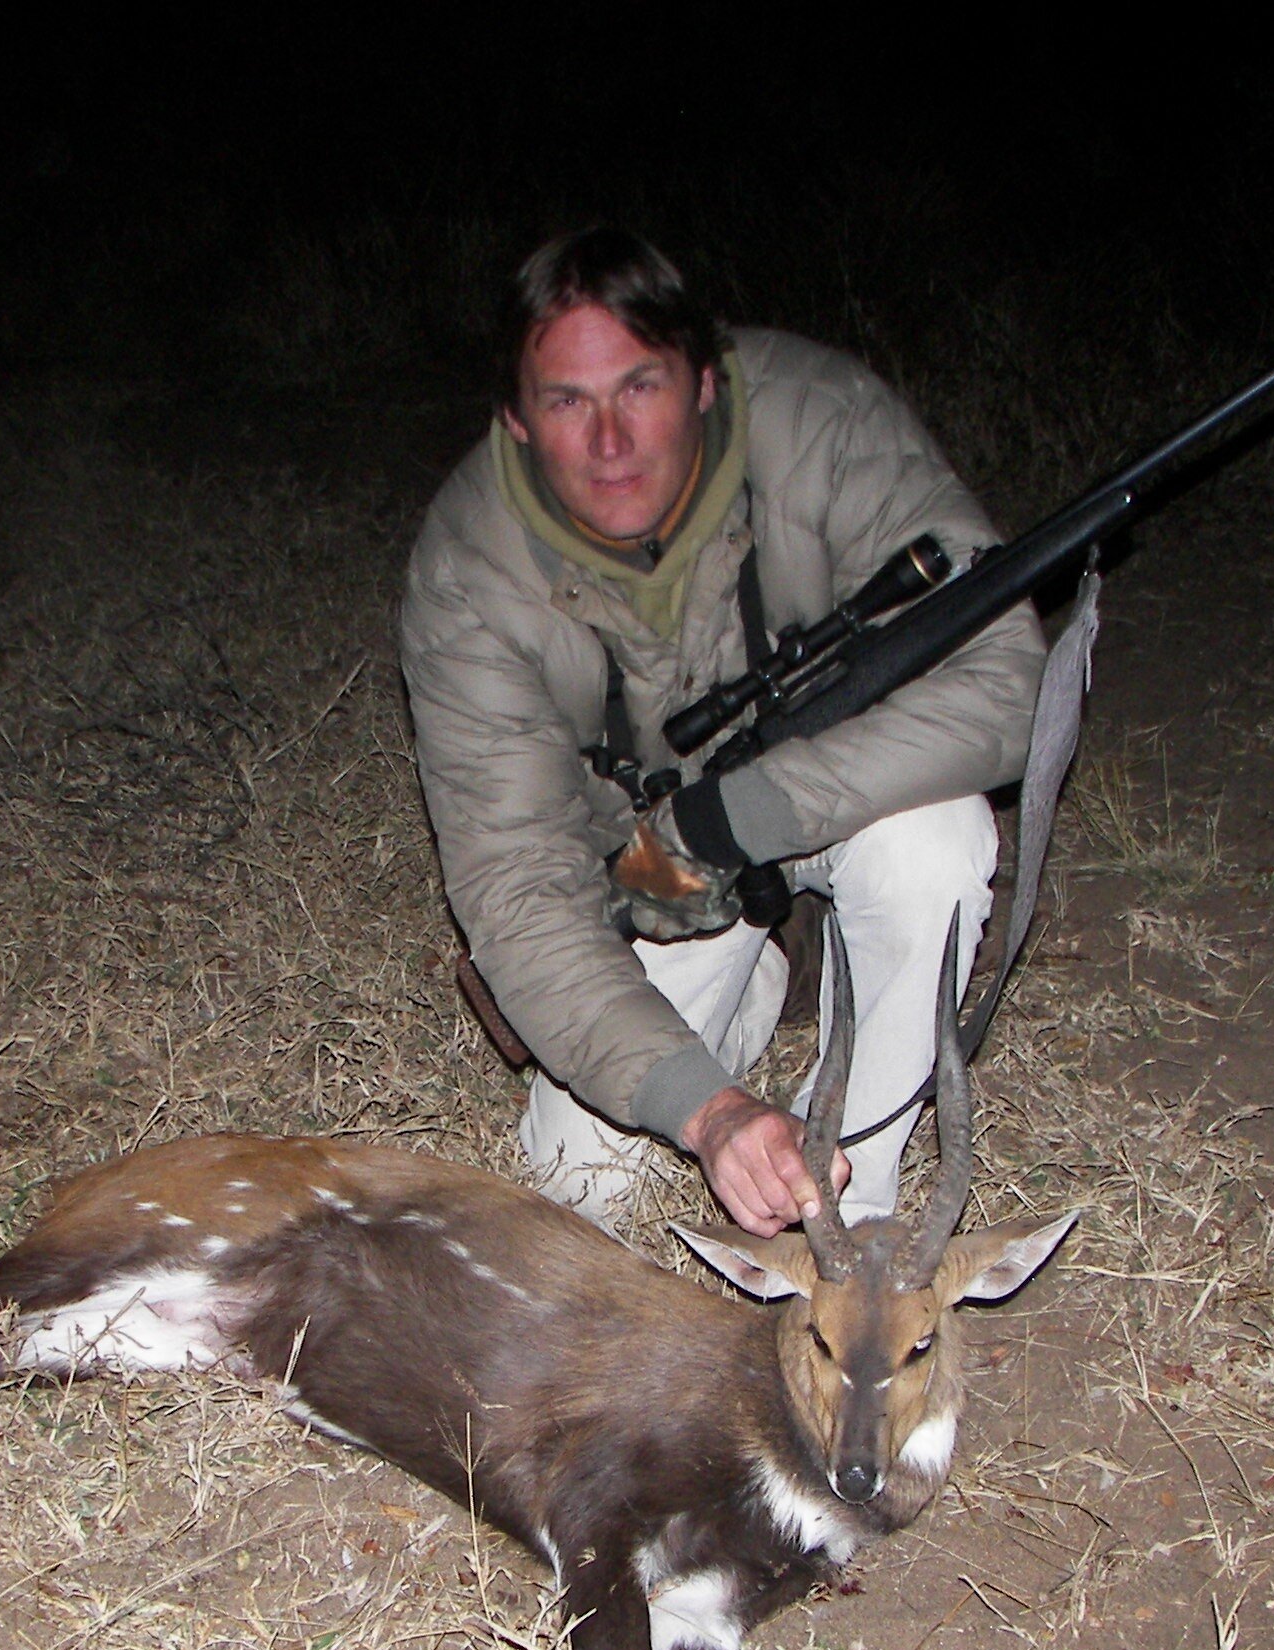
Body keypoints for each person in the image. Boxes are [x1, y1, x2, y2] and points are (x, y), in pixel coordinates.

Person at [400, 226, 1046, 1236]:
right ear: (516, 423)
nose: (610, 443)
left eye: (641, 387)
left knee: (937, 842)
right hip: (654, 869)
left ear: (706, 381)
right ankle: (765, 972)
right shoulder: (467, 573)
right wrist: (711, 1112)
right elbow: (519, 890)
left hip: (833, 787)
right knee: (583, 1189)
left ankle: (856, 1210)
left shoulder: (822, 419)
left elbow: (1002, 679)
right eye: (568, 402)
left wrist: (749, 811)